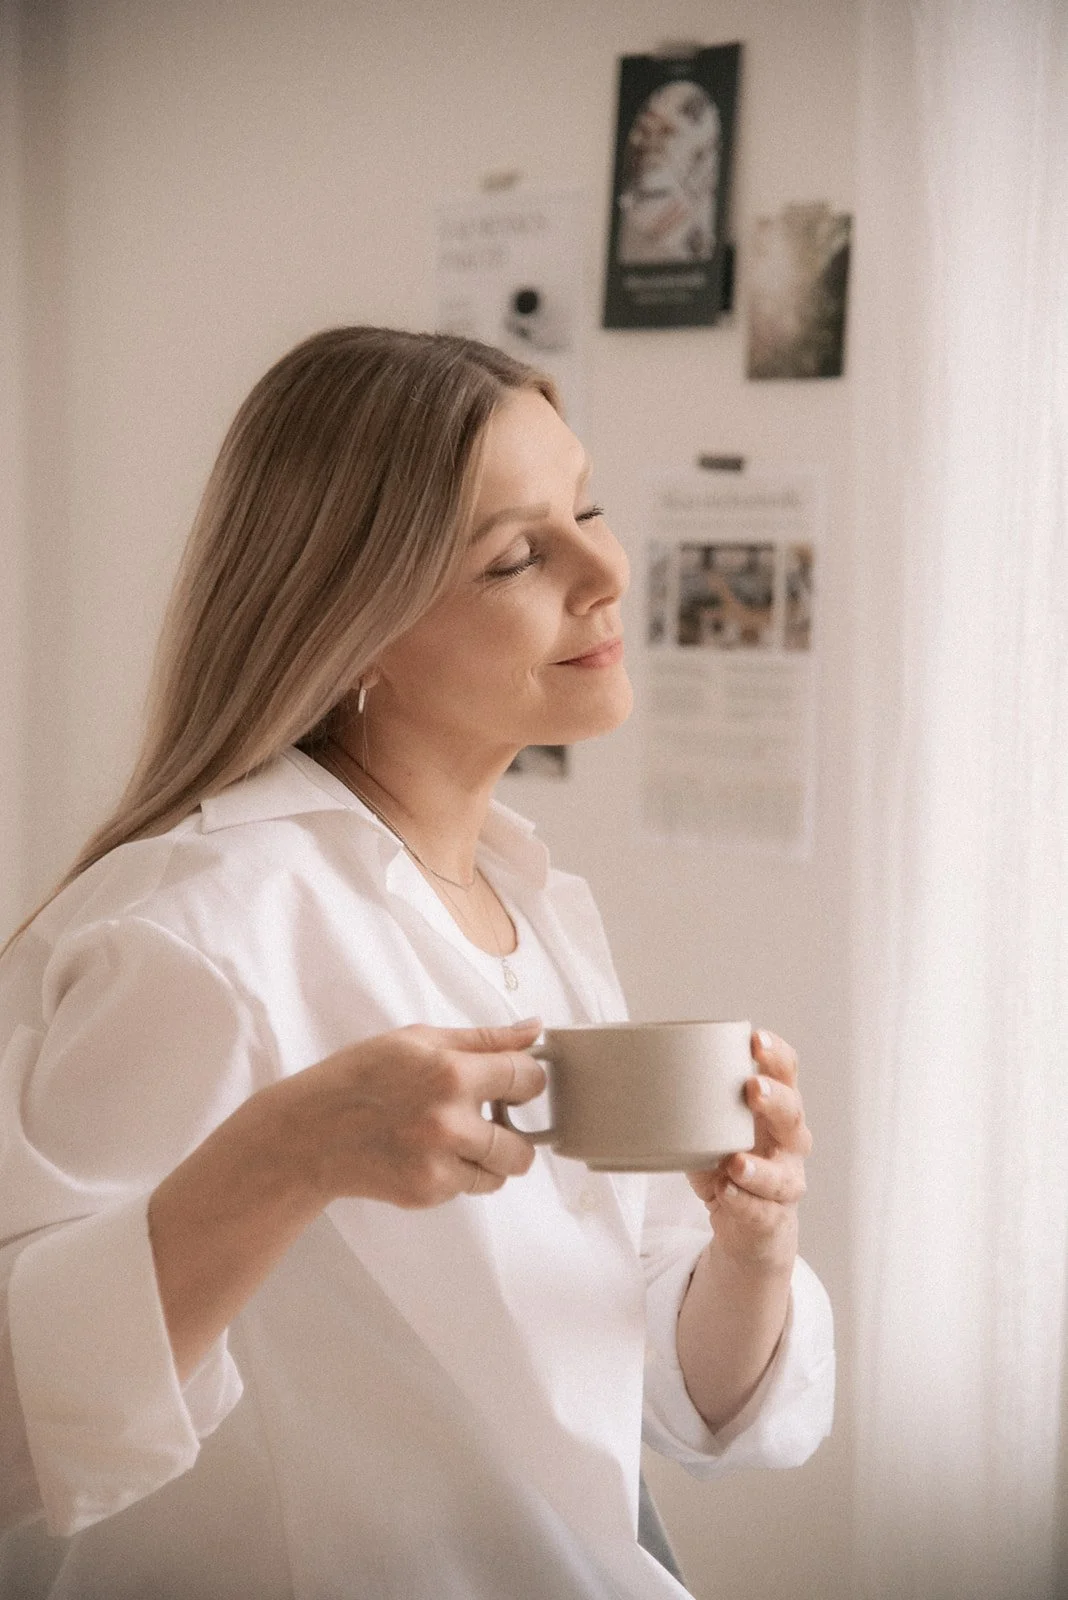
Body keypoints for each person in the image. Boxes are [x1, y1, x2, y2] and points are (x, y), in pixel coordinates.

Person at [0, 327, 834, 1599]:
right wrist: (287, 1153)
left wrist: (751, 1249)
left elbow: (663, 1389)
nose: (609, 569)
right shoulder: (196, 928)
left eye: (590, 507)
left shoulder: (527, 901)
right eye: (518, 554)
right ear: (356, 628)